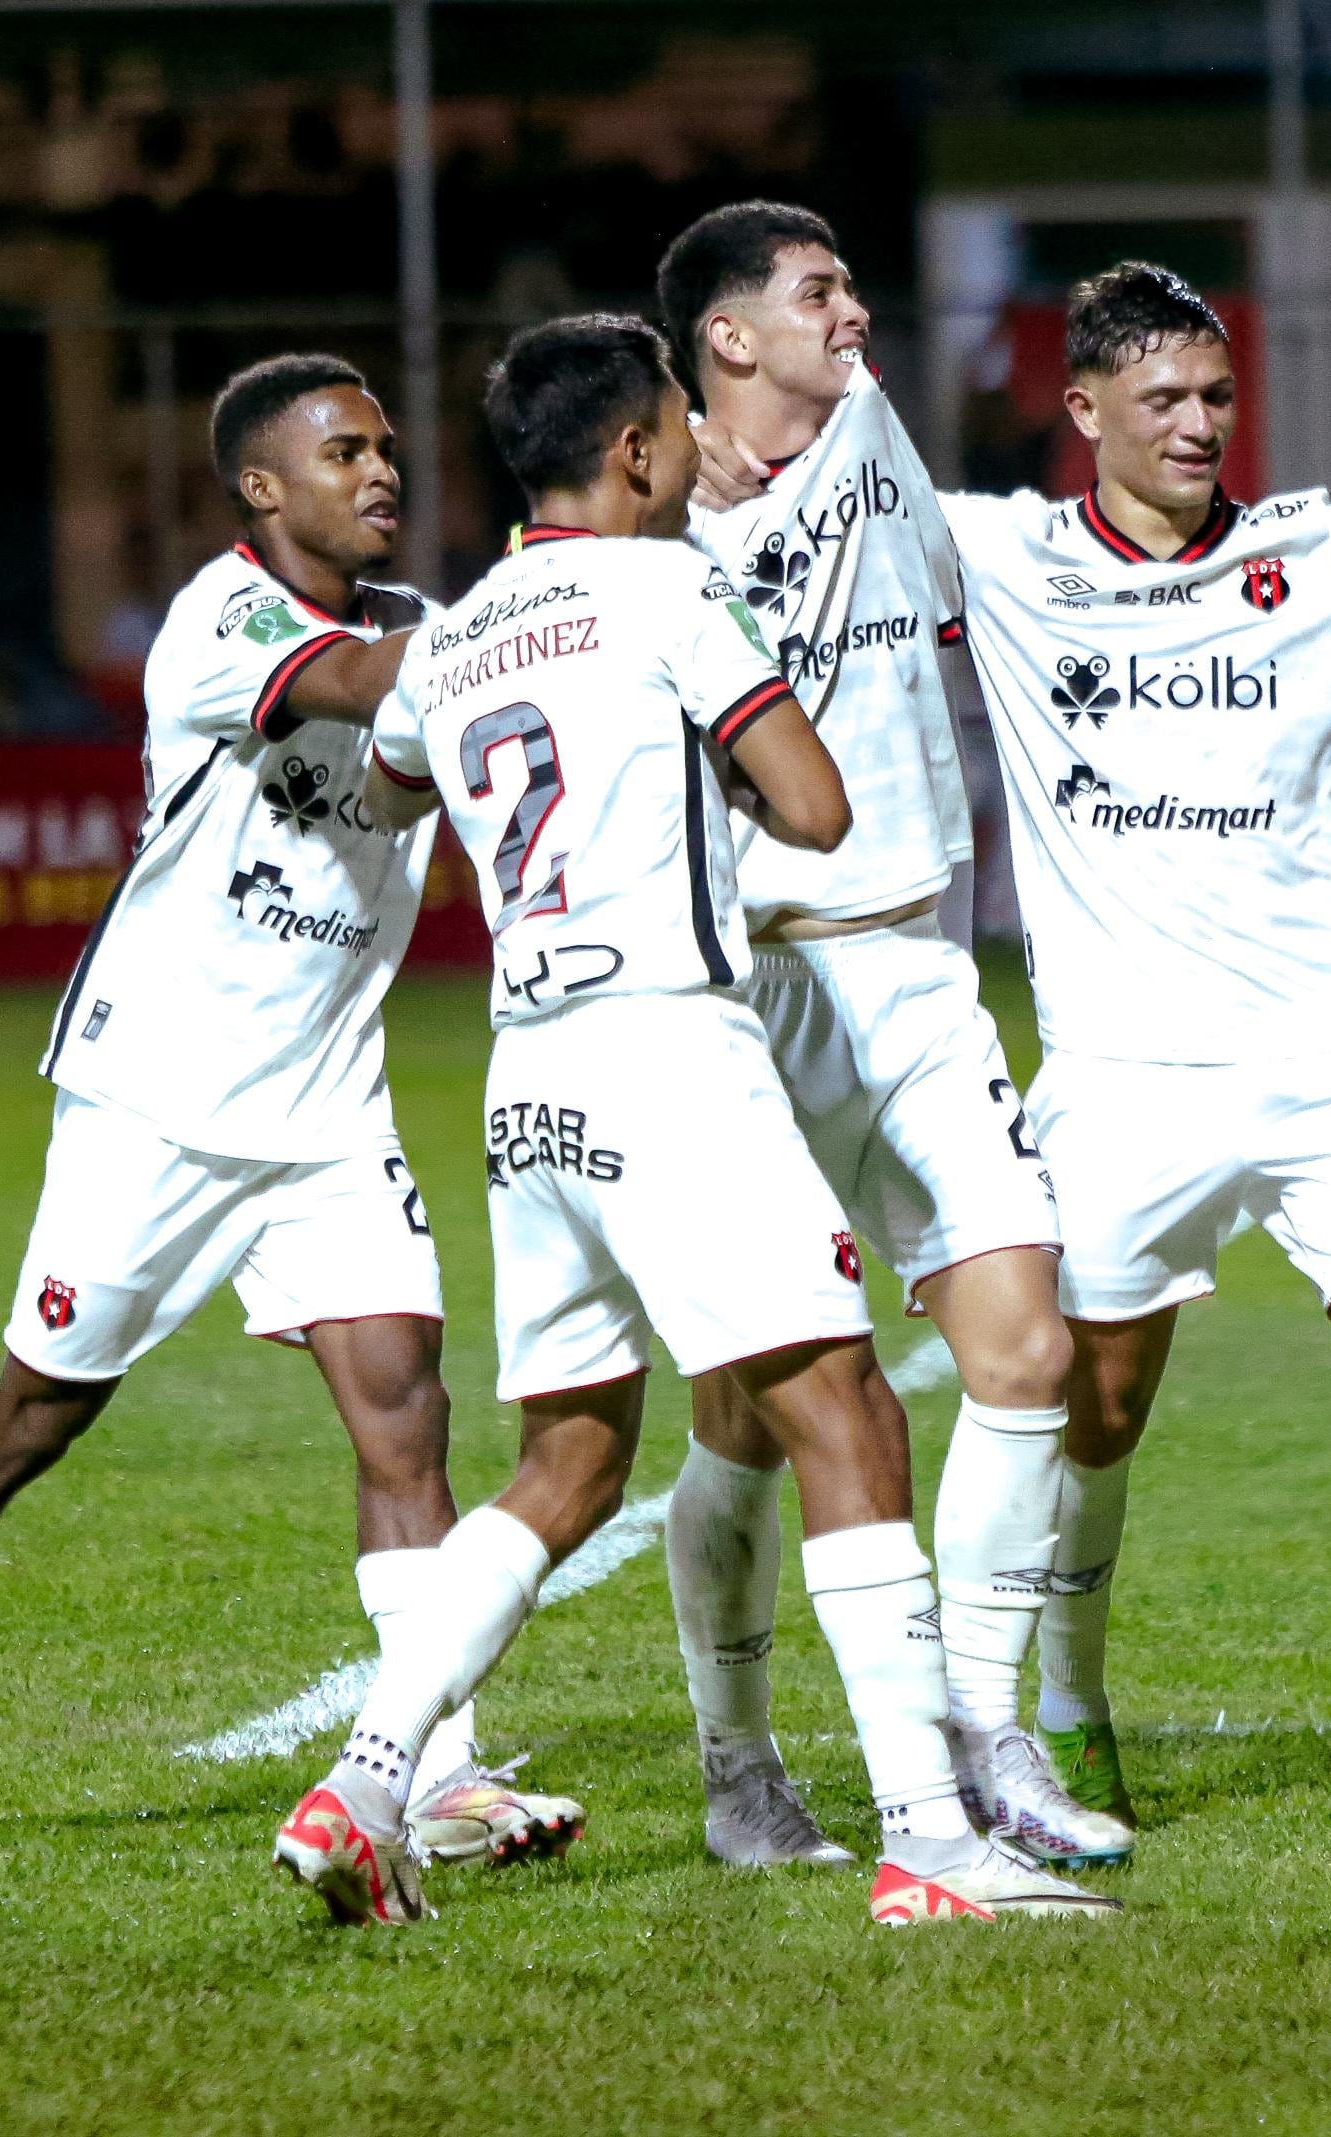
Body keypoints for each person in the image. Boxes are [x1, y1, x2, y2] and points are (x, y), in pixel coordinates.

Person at [702, 259, 1331, 1863]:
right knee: (1092, 1409)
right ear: (1083, 415)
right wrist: (724, 461)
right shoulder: (998, 552)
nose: (1201, 425)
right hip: (1124, 1075)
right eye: (1164, 401)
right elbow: (817, 517)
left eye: (1217, 396)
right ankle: (1066, 1707)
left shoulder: (1316, 550)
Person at [283, 314, 1112, 1929]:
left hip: (527, 1076)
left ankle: (369, 1775)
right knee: (847, 1413)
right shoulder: (671, 588)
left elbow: (388, 787)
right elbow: (817, 804)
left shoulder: (453, 635)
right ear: (641, 453)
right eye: (673, 426)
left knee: (572, 1457)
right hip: (673, 1051)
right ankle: (931, 1840)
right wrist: (693, 765)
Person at [0, 355, 582, 1878]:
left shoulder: (418, 628)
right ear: (261, 487)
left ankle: (434, 1768)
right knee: (33, 1420)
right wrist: (547, 625)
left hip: (330, 1104)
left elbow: (433, 776)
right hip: (156, 1097)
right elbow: (361, 697)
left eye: (389, 450)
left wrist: (517, 649)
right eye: (342, 452)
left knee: (405, 1413)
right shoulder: (221, 625)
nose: (380, 473)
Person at [649, 202, 1123, 1873]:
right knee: (742, 1415)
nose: (855, 313)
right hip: (750, 1009)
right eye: (816, 290)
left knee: (1027, 1352)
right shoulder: (642, 533)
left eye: (850, 283)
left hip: (916, 973)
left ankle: (987, 1738)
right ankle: (738, 1762)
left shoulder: (869, 435)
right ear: (725, 334)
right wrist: (655, 496)